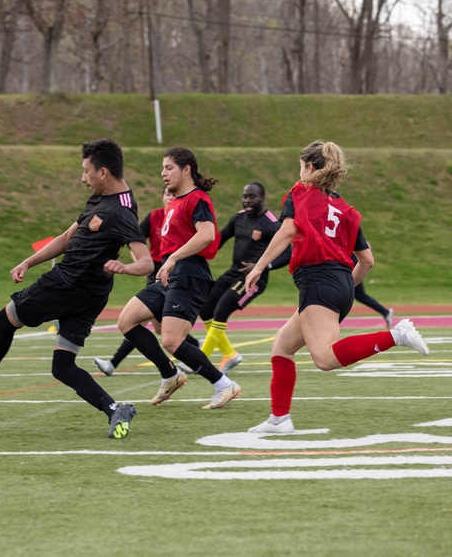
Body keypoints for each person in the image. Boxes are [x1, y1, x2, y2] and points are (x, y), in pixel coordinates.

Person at [0, 138, 152, 439]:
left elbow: (146, 263)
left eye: (86, 171)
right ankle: (114, 408)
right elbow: (67, 237)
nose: (83, 178)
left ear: (103, 172)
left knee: (5, 319)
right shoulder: (103, 199)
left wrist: (125, 267)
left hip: (67, 284)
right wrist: (30, 261)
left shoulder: (121, 211)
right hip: (90, 293)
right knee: (62, 365)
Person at [243, 140, 428, 433]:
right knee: (283, 346)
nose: (299, 172)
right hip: (341, 283)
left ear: (310, 167)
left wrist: (258, 266)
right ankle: (279, 419)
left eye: (301, 166)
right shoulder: (346, 210)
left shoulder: (300, 192)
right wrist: (343, 288)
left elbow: (288, 230)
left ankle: (396, 335)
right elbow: (366, 261)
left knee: (325, 359)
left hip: (318, 281)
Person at [114, 146, 242, 410]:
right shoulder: (175, 203)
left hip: (189, 276)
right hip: (169, 276)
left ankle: (223, 384)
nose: (163, 173)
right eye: (162, 168)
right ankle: (170, 375)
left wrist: (172, 258)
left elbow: (207, 234)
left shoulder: (198, 199)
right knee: (126, 320)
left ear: (186, 170)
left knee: (172, 340)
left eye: (168, 167)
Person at [93, 188, 199, 375]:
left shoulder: (183, 217)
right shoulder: (154, 216)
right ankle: (194, 345)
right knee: (157, 326)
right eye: (167, 194)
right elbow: (134, 238)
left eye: (174, 195)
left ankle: (113, 363)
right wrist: (140, 262)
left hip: (174, 272)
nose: (170, 198)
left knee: (139, 321)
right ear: (162, 197)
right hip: (155, 273)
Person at [198, 182, 290, 374]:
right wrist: (198, 256)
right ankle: (229, 354)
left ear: (262, 199)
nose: (247, 200)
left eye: (252, 196)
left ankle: (199, 360)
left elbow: (288, 253)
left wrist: (262, 266)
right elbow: (218, 241)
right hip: (233, 273)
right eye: (245, 196)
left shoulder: (272, 223)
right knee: (205, 308)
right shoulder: (238, 218)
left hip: (254, 281)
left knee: (221, 310)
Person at [353, 256, 394, 328]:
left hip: (350, 267)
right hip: (349, 266)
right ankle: (385, 312)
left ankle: (385, 312)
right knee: (359, 295)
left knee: (358, 295)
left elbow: (366, 249)